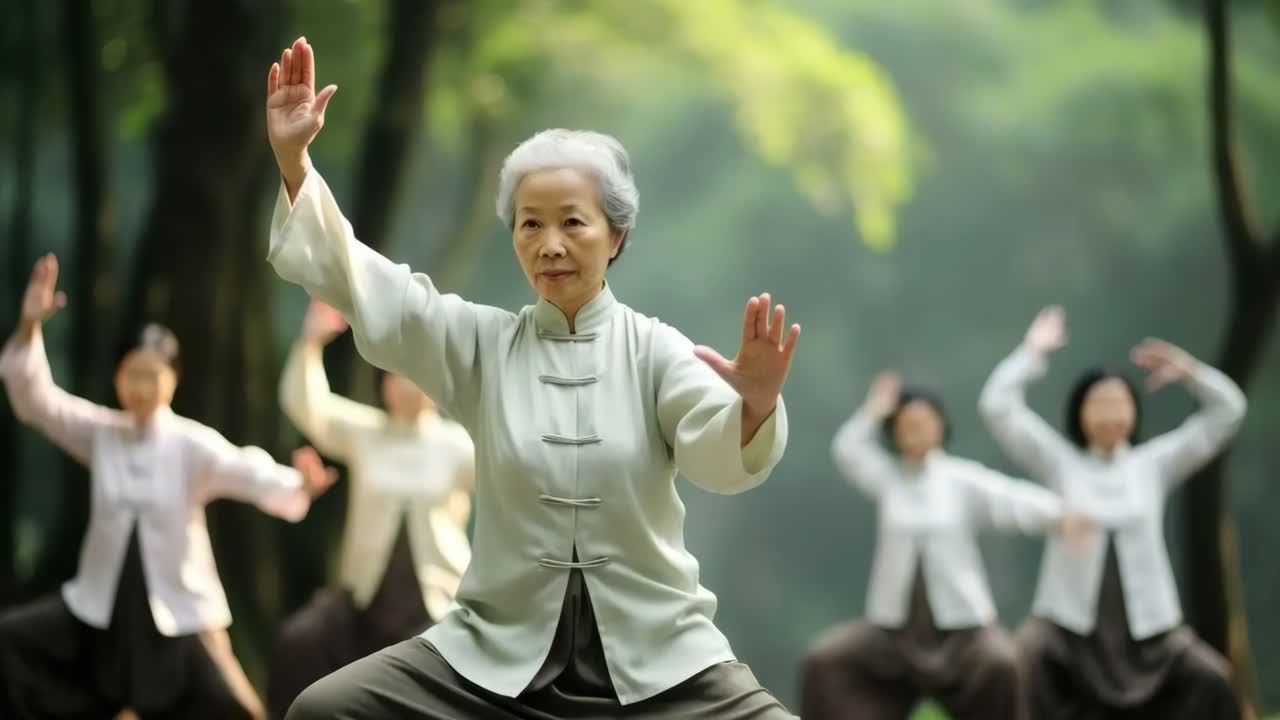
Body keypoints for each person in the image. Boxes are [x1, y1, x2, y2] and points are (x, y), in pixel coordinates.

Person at [266, 36, 801, 719]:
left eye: (572, 222)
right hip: (496, 655)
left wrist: (754, 405)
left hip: (659, 657)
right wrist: (295, 163)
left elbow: (716, 456)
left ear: (616, 235)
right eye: (529, 225)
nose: (549, 244)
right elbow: (369, 285)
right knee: (325, 711)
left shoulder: (656, 352)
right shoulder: (481, 345)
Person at [0, 254, 336, 719]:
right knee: (12, 641)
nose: (141, 388)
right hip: (102, 603)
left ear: (172, 380)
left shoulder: (189, 445)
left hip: (177, 607)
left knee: (230, 706)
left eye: (152, 376)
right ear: (117, 377)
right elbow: (39, 403)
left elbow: (246, 469)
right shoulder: (101, 433)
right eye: (132, 375)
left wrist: (298, 483)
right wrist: (28, 326)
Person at [979, 306, 1246, 719]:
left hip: (1150, 626)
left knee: (1211, 677)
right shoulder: (1060, 462)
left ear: (1134, 411)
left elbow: (1228, 412)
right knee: (1019, 665)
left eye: (1119, 404)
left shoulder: (1153, 464)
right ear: (1079, 412)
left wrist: (1192, 374)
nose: (1110, 415)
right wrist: (1032, 354)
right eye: (1099, 404)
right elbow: (997, 407)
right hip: (1068, 626)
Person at [803, 371, 1088, 720]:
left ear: (940, 426)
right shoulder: (889, 479)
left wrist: (1060, 515)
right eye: (907, 425)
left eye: (924, 422)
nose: (916, 431)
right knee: (826, 660)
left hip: (963, 628)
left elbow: (1009, 499)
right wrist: (873, 411)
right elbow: (847, 450)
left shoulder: (960, 479)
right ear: (895, 432)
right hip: (892, 631)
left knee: (1003, 662)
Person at [267, 299, 476, 717]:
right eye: (397, 375)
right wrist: (311, 343)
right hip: (362, 601)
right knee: (299, 641)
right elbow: (310, 409)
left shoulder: (459, 444)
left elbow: (516, 469)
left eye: (419, 375)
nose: (408, 385)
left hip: (437, 602)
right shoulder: (366, 433)